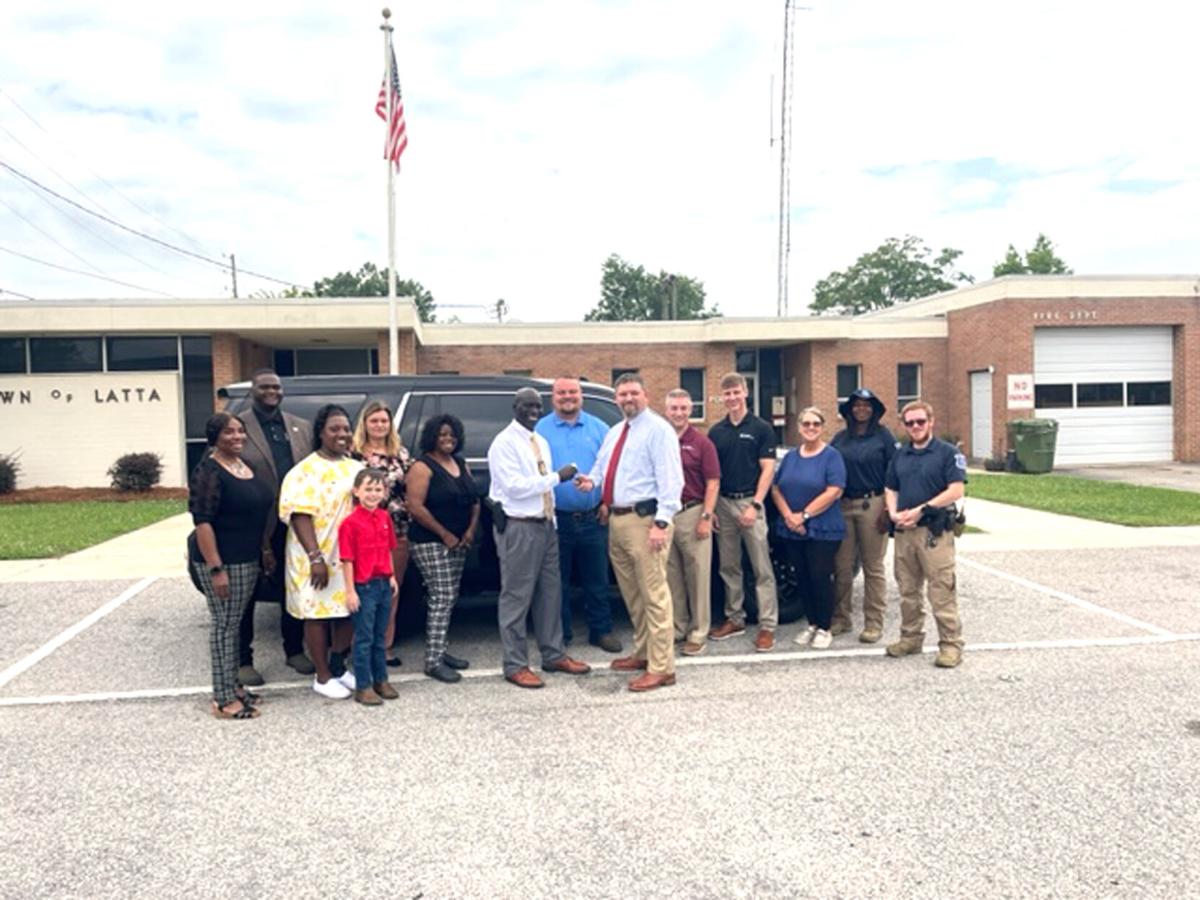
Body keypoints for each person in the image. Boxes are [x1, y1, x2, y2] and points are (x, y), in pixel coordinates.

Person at [577, 373, 683, 692]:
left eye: (633, 393)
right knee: (633, 595)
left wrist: (661, 523)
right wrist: (592, 482)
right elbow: (603, 467)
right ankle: (644, 652)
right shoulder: (615, 432)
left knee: (654, 595)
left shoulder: (659, 430)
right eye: (622, 394)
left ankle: (662, 667)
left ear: (645, 395)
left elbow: (671, 480)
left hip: (646, 521)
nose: (628, 399)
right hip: (618, 520)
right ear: (616, 399)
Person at [488, 388, 592, 688]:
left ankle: (553, 654)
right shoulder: (504, 443)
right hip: (520, 527)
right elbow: (514, 487)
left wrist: (553, 521)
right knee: (516, 597)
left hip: (546, 525)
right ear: (514, 407)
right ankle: (515, 664)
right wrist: (558, 477)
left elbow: (543, 488)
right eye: (527, 406)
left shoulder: (540, 441)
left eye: (537, 406)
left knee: (550, 594)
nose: (533, 411)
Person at [189, 412, 276, 720]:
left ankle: (234, 686)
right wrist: (216, 569)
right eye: (229, 432)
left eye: (240, 431)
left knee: (234, 624)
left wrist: (264, 548)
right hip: (223, 561)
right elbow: (203, 522)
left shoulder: (243, 465)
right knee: (224, 626)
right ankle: (223, 699)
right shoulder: (208, 471)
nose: (237, 437)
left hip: (247, 557)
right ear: (215, 437)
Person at [278, 404, 364, 699]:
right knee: (316, 613)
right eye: (334, 429)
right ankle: (322, 676)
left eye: (346, 429)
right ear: (321, 433)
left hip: (347, 556)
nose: (342, 434)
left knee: (347, 609)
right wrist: (316, 558)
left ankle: (338, 666)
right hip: (314, 555)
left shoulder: (355, 468)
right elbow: (300, 515)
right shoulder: (305, 471)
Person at [236, 367, 314, 685]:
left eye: (276, 387)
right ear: (252, 390)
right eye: (265, 387)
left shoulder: (301, 427)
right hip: (251, 524)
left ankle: (294, 650)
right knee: (246, 593)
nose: (272, 392)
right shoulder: (237, 426)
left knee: (291, 587)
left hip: (293, 522)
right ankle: (243, 660)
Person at [535, 376, 622, 653]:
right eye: (561, 392)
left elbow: (611, 469)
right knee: (555, 582)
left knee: (597, 580)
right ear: (553, 397)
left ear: (580, 395)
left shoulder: (599, 428)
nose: (567, 397)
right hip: (555, 519)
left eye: (572, 391)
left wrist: (606, 501)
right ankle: (561, 634)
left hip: (593, 517)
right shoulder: (540, 429)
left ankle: (601, 630)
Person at [884, 400, 967, 668]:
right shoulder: (900, 455)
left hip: (934, 531)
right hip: (905, 531)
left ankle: (951, 645)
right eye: (910, 423)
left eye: (920, 421)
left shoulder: (947, 453)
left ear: (931, 422)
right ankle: (911, 638)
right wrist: (893, 513)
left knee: (941, 589)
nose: (915, 426)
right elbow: (891, 487)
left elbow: (956, 490)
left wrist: (921, 510)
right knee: (908, 590)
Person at [706, 372, 780, 652]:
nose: (732, 398)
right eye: (727, 394)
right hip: (723, 504)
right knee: (729, 566)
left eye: (736, 392)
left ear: (745, 393)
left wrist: (756, 504)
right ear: (722, 397)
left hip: (750, 502)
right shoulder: (716, 432)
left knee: (762, 568)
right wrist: (712, 508)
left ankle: (767, 625)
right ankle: (734, 618)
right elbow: (712, 474)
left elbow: (768, 469)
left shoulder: (761, 428)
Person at [406, 413, 480, 684]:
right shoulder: (422, 467)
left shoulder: (460, 463)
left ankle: (441, 649)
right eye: (442, 434)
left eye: (452, 434)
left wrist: (470, 530)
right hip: (429, 541)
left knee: (448, 597)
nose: (448, 439)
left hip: (460, 541)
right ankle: (433, 662)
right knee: (442, 596)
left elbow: (474, 500)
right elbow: (415, 507)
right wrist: (444, 534)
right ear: (432, 437)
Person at [770, 407, 847, 650]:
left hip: (822, 527)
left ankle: (825, 627)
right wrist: (789, 517)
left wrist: (804, 516)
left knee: (819, 576)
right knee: (801, 576)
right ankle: (812, 623)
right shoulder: (791, 457)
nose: (811, 428)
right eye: (806, 424)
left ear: (822, 427)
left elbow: (834, 491)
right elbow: (776, 488)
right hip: (792, 527)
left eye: (815, 424)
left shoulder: (832, 456)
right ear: (799, 427)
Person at [829, 388, 899, 643]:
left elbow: (895, 472)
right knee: (842, 566)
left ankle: (873, 622)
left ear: (874, 409)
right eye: (857, 405)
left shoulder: (884, 437)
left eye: (867, 405)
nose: (861, 409)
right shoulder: (840, 438)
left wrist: (889, 509)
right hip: (844, 505)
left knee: (873, 566)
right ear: (849, 409)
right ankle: (841, 618)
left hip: (874, 504)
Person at [351, 400, 412, 667]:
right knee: (363, 592)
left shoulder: (400, 453)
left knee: (390, 591)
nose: (379, 425)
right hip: (362, 534)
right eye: (374, 420)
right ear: (364, 424)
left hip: (397, 532)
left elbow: (410, 488)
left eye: (384, 421)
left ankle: (384, 646)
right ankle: (357, 646)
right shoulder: (353, 455)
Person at [663, 388, 720, 657]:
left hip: (692, 512)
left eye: (683, 408)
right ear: (666, 411)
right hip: (665, 515)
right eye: (674, 408)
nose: (679, 413)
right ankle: (678, 627)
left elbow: (713, 482)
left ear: (691, 410)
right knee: (671, 576)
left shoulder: (702, 443)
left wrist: (706, 516)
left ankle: (698, 632)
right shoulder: (660, 440)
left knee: (697, 576)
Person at [338, 468, 401, 706]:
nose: (373, 494)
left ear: (384, 492)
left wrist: (392, 576)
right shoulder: (350, 524)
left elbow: (388, 549)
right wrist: (350, 591)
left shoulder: (384, 518)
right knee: (364, 638)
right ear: (356, 491)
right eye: (368, 489)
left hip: (383, 583)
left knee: (379, 636)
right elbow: (347, 559)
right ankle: (363, 685)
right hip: (364, 586)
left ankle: (381, 680)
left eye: (378, 489)